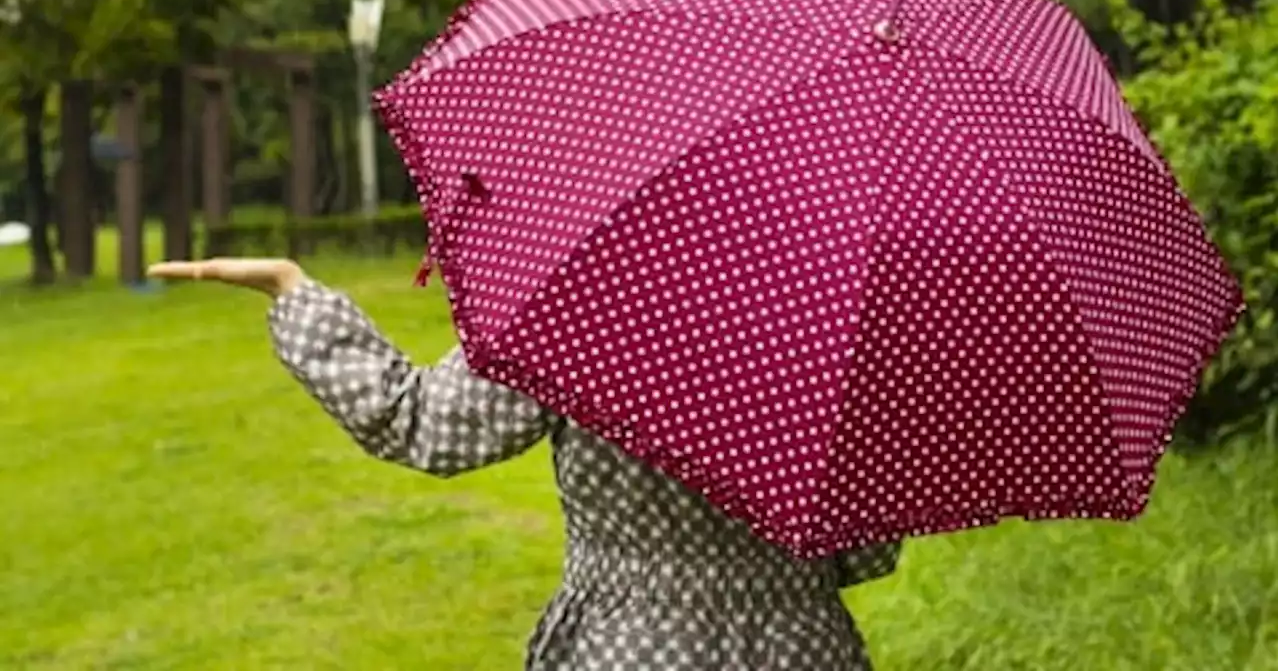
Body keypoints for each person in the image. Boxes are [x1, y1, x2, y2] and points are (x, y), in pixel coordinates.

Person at [149, 257, 901, 670]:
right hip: (809, 646)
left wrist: (295, 292)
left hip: (628, 648)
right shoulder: (849, 324)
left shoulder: (591, 303)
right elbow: (868, 542)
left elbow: (420, 424)